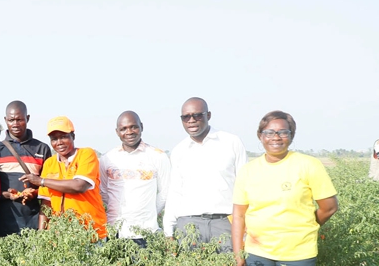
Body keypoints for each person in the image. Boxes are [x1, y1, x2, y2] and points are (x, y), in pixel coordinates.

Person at [232, 111, 338, 266]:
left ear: (291, 135)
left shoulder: (308, 165)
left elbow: (329, 207)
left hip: (298, 254)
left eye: (283, 132)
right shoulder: (248, 170)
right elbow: (238, 216)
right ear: (260, 136)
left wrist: (305, 227)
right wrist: (238, 254)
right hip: (257, 253)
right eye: (269, 132)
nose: (276, 137)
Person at [162, 97, 246, 252]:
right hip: (188, 224)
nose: (191, 120)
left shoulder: (231, 142)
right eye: (186, 117)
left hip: (224, 223)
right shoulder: (179, 151)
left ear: (209, 115)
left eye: (197, 115)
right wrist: (168, 230)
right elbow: (174, 192)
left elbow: (245, 187)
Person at [20, 116, 107, 239]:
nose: (59, 142)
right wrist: (41, 234)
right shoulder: (50, 163)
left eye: (63, 137)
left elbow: (79, 185)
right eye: (54, 139)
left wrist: (42, 181)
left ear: (73, 136)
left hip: (90, 233)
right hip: (59, 236)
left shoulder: (86, 154)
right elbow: (46, 202)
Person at [99, 111, 171, 246]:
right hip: (115, 231)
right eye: (123, 129)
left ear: (141, 127)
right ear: (117, 132)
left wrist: (147, 212)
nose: (129, 132)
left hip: (146, 232)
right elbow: (103, 191)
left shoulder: (158, 156)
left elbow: (165, 192)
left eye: (133, 127)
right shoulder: (107, 158)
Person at [0, 101, 51, 236]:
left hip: (34, 220)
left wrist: (34, 193)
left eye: (19, 119)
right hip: (4, 222)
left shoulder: (42, 149)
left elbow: (48, 187)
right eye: (11, 120)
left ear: (28, 118)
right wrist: (7, 195)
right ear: (5, 120)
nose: (15, 124)